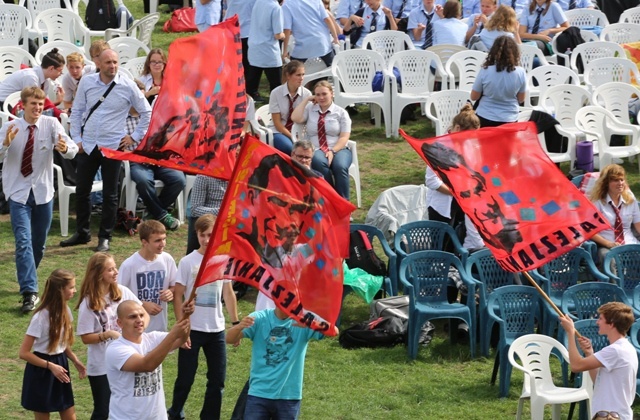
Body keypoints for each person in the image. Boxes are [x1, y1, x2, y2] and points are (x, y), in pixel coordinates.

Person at [61, 49, 151, 253]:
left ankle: (105, 237)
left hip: (112, 146)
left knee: (110, 194)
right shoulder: (87, 81)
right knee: (82, 190)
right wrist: (77, 139)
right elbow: (76, 112)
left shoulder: (127, 85)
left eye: (116, 62)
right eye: (108, 62)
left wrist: (134, 137)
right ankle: (82, 232)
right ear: (98, 63)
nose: (112, 66)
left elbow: (146, 111)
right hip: (89, 144)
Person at [0, 87, 78, 313]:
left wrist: (65, 149)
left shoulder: (51, 124)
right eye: (33, 104)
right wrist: (5, 143)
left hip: (43, 192)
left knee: (38, 245)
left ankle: (27, 276)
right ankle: (29, 292)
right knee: (23, 242)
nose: (37, 108)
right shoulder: (10, 127)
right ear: (23, 105)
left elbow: (70, 148)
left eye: (41, 105)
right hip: (18, 193)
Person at [167, 214, 239, 420]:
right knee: (185, 378)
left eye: (210, 235)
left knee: (217, 380)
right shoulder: (188, 261)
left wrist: (235, 323)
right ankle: (175, 413)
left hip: (216, 330)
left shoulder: (223, 259)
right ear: (196, 235)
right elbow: (178, 295)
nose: (207, 240)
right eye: (202, 235)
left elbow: (228, 293)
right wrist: (182, 326)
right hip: (192, 330)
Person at [226, 306, 333, 420]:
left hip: (289, 396)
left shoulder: (305, 320)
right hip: (259, 393)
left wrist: (314, 324)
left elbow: (333, 331)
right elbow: (229, 339)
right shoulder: (259, 318)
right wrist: (239, 327)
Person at [76, 252, 142, 420]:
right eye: (110, 269)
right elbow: (85, 337)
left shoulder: (123, 292)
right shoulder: (89, 302)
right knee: (103, 411)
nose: (115, 272)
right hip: (101, 366)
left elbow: (143, 313)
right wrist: (107, 335)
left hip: (126, 360)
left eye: (115, 268)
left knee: (126, 408)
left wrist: (139, 326)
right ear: (98, 274)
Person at [19, 269, 87, 420]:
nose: (75, 291)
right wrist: (51, 366)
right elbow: (24, 353)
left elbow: (61, 344)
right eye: (71, 287)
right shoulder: (40, 317)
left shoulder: (66, 311)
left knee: (69, 414)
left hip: (60, 364)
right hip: (41, 370)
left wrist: (75, 361)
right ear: (60, 289)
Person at [105, 300, 191, 420]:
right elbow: (147, 365)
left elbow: (181, 339)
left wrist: (186, 315)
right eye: (132, 317)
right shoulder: (115, 349)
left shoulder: (153, 338)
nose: (139, 320)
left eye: (141, 315)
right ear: (120, 323)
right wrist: (172, 335)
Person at [559, 302, 637, 420]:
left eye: (600, 318)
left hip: (611, 416)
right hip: (614, 414)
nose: (597, 322)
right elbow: (598, 381)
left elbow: (575, 366)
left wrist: (570, 332)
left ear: (611, 324)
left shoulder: (615, 351)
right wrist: (589, 353)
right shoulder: (625, 347)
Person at [291, 80, 352, 200]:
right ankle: (331, 197)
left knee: (340, 166)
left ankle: (344, 202)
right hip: (317, 148)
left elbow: (344, 136)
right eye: (318, 95)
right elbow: (295, 117)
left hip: (339, 148)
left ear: (331, 93)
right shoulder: (311, 108)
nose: (321, 97)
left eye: (324, 94)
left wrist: (333, 151)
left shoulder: (341, 113)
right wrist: (306, 100)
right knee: (319, 161)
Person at [117, 220, 177, 333]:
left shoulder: (167, 259)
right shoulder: (129, 265)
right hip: (136, 330)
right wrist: (142, 304)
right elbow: (118, 296)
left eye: (164, 239)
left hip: (160, 327)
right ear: (144, 242)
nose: (162, 243)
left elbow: (175, 285)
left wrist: (170, 292)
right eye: (157, 240)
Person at [470, 35, 527, 127]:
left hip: (485, 116)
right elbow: (521, 99)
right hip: (510, 118)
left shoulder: (485, 70)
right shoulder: (520, 72)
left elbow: (474, 96)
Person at [588, 164, 640, 264]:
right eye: (615, 180)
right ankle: (615, 280)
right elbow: (590, 231)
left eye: (622, 180)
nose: (620, 183)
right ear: (606, 183)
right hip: (607, 245)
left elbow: (638, 225)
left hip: (630, 243)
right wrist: (608, 243)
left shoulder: (630, 200)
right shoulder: (597, 203)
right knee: (609, 259)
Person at [268, 61, 312, 156]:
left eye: (303, 75)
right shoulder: (276, 93)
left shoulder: (307, 94)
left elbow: (308, 119)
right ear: (288, 76)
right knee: (289, 148)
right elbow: (277, 123)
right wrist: (292, 137)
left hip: (300, 132)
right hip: (279, 131)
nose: (302, 78)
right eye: (298, 75)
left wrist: (299, 137)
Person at [0, 48, 65, 108]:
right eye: (60, 71)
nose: (61, 74)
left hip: (13, 103)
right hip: (4, 103)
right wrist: (57, 102)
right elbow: (33, 107)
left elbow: (44, 103)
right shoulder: (31, 78)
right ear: (51, 68)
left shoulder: (45, 80)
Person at [282, 0, 339, 67]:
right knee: (334, 67)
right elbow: (327, 19)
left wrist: (285, 51)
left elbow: (287, 29)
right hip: (322, 45)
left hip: (303, 48)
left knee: (292, 70)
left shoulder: (286, 5)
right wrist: (335, 38)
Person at [247, 0, 284, 100]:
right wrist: (284, 35)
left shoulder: (258, 2)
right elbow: (278, 34)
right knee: (276, 83)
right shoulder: (276, 8)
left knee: (252, 79)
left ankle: (251, 98)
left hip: (254, 45)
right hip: (269, 49)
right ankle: (275, 101)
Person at [225, 0, 259, 99]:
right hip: (240, 30)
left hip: (235, 30)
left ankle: (243, 90)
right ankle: (244, 90)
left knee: (242, 64)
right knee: (245, 64)